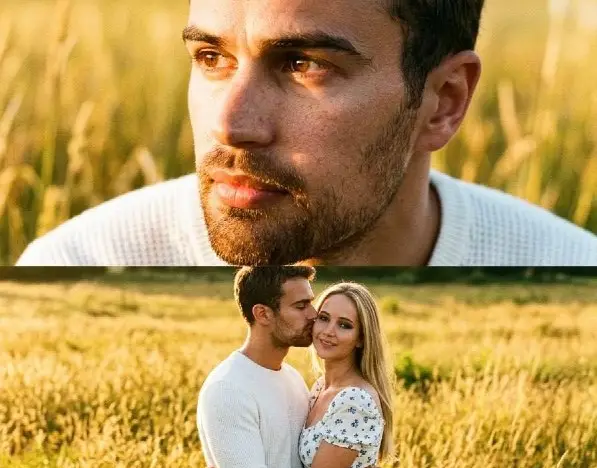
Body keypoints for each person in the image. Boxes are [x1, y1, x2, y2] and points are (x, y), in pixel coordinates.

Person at [16, 0, 597, 267]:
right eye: (212, 57)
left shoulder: (569, 268)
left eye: (303, 65)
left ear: (443, 101)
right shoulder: (75, 263)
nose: (230, 125)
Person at [197, 266, 387, 468]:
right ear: (263, 314)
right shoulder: (228, 387)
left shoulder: (295, 380)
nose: (312, 315)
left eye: (311, 304)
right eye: (301, 306)